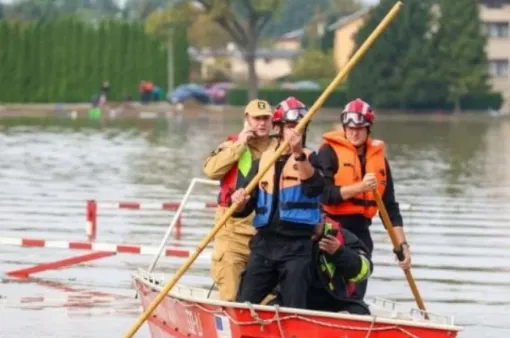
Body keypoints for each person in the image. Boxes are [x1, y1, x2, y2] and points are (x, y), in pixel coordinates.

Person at [231, 97, 324, 309]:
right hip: (265, 244)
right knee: (243, 304)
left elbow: (315, 188)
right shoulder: (262, 161)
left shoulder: (312, 158)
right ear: (279, 127)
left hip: (297, 247)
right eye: (291, 126)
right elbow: (244, 206)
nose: (295, 132)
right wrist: (238, 201)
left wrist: (298, 153)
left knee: (294, 308)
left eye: (300, 127)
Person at [318, 98, 411, 300]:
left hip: (361, 233)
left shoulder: (379, 161)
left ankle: (355, 315)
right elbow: (325, 194)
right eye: (349, 127)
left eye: (360, 128)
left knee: (355, 290)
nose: (354, 132)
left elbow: (390, 208)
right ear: (344, 127)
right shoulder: (328, 152)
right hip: (332, 229)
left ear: (368, 129)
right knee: (328, 288)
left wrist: (402, 246)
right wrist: (360, 187)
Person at [203, 99, 276, 301]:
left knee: (269, 300)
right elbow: (211, 170)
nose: (261, 123)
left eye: (266, 118)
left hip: (265, 236)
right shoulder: (232, 145)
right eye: (256, 118)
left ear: (272, 121)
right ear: (247, 120)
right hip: (232, 234)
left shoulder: (280, 147)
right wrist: (239, 145)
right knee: (230, 296)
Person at [307, 216, 373, 314]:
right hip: (296, 299)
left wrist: (339, 253)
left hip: (337, 300)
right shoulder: (285, 237)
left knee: (358, 311)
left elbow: (365, 270)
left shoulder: (342, 236)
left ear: (323, 216)